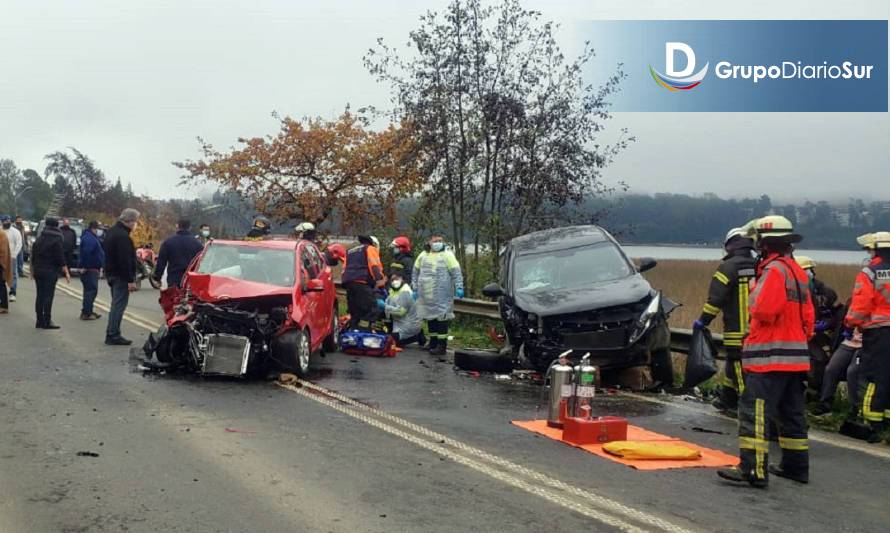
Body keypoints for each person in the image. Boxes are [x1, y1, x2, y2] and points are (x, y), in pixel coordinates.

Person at [718, 215, 814, 488]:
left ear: (765, 243)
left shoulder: (773, 272)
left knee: (755, 411)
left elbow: (764, 310)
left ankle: (753, 469)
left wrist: (753, 293)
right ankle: (796, 467)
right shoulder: (796, 270)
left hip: (770, 356)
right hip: (795, 357)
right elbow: (808, 316)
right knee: (791, 413)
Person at [693, 227, 757, 415]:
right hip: (758, 330)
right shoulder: (759, 265)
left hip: (737, 331)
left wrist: (703, 321)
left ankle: (748, 407)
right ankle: (727, 399)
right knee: (733, 364)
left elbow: (715, 300)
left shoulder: (728, 267)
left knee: (738, 366)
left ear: (730, 245)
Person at [844, 231, 890, 442]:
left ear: (876, 249)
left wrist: (851, 322)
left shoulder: (870, 271)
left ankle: (871, 422)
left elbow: (861, 304)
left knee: (872, 377)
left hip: (878, 331)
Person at [796, 256, 842, 396]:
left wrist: (826, 323)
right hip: (799, 335)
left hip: (819, 335)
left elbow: (835, 311)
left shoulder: (824, 291)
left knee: (821, 360)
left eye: (809, 270)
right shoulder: (791, 291)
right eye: (804, 270)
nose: (808, 274)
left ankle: (816, 393)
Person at [414, 236, 464, 357]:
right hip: (427, 294)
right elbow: (415, 272)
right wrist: (415, 288)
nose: (437, 243)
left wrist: (459, 287)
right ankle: (433, 342)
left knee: (441, 319)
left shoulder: (448, 255)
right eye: (435, 241)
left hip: (442, 294)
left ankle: (442, 346)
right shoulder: (423, 255)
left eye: (440, 241)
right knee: (430, 318)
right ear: (429, 242)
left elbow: (456, 272)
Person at [153, 219, 204, 319]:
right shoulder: (198, 244)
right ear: (189, 227)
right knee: (190, 303)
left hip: (174, 277)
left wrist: (157, 278)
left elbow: (161, 262)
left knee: (175, 302)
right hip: (191, 279)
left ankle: (174, 323)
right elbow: (203, 262)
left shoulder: (168, 242)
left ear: (177, 226)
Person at [104, 208, 140, 346]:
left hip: (112, 273)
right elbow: (125, 260)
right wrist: (130, 280)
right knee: (118, 306)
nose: (135, 224)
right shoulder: (123, 237)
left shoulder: (112, 232)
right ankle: (113, 334)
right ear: (129, 221)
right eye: (135, 221)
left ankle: (112, 332)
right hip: (121, 276)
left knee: (115, 304)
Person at [30, 217, 71, 327]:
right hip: (50, 271)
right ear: (57, 226)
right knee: (48, 296)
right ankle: (47, 320)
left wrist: (32, 270)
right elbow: (60, 257)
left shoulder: (39, 238)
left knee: (40, 296)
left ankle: (39, 320)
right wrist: (66, 271)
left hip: (38, 270)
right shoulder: (57, 239)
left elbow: (33, 255)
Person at [341, 235, 385, 330]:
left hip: (349, 284)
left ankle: (353, 332)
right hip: (362, 283)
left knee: (355, 312)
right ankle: (364, 330)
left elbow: (344, 269)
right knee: (372, 310)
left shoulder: (350, 251)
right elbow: (374, 266)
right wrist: (379, 280)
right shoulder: (370, 248)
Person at [384, 271, 425, 347]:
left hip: (408, 324)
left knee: (390, 342)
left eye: (396, 279)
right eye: (392, 280)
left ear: (402, 279)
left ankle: (417, 336)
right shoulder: (393, 291)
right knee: (385, 338)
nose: (394, 281)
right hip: (399, 323)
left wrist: (385, 307)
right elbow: (388, 301)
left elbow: (401, 312)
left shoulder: (405, 292)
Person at [78, 220, 105, 320]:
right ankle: (86, 313)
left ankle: (88, 310)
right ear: (94, 228)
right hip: (90, 268)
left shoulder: (91, 237)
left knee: (89, 291)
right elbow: (87, 253)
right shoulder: (89, 239)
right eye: (98, 229)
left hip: (92, 268)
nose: (99, 231)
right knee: (91, 291)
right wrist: (85, 266)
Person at [2, 215, 23, 303]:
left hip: (12, 256)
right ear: (2, 222)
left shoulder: (15, 232)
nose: (7, 222)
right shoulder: (0, 230)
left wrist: (14, 254)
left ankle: (12, 293)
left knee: (13, 275)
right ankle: (2, 294)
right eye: (5, 221)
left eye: (9, 221)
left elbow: (19, 243)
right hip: (1, 256)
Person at [0, 223, 11, 315]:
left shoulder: (1, 234)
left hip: (0, 264)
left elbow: (3, 252)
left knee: (1, 284)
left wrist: (3, 265)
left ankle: (4, 306)